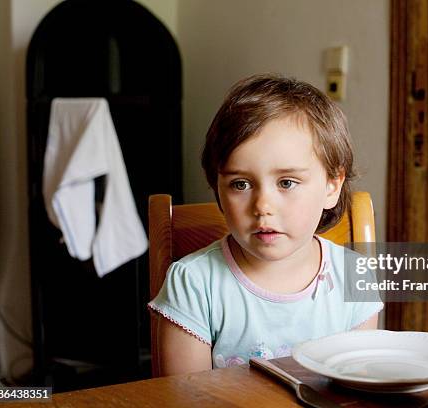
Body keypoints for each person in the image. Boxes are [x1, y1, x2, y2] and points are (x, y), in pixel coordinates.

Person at [148, 74, 383, 375]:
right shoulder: (193, 283)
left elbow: (357, 387)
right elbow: (186, 400)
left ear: (331, 187)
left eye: (287, 182)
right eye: (241, 184)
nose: (262, 207)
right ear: (216, 187)